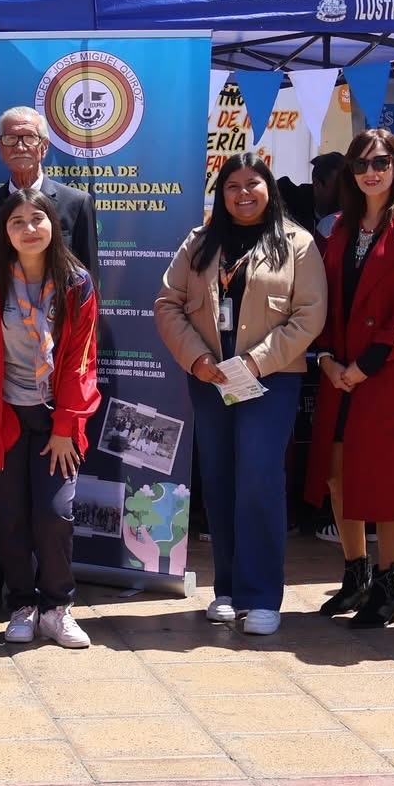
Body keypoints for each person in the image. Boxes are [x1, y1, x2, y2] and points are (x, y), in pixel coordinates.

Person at [157, 152, 327, 636]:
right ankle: (227, 590)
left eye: (253, 184)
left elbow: (310, 314)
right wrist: (199, 360)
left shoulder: (297, 244)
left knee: (258, 477)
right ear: (221, 193)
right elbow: (168, 304)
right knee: (219, 477)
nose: (243, 193)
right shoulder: (199, 243)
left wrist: (257, 361)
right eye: (233, 186)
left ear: (269, 189)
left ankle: (261, 595)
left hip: (269, 378)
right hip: (211, 378)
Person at [0, 105, 98, 620]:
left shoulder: (76, 203)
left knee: (51, 505)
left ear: (44, 144)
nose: (19, 145)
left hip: (54, 387)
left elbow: (84, 287)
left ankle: (55, 600)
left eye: (28, 138)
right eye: (9, 138)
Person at [305, 129, 394, 629]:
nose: (371, 172)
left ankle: (389, 584)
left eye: (380, 162)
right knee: (339, 475)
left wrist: (367, 365)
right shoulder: (336, 228)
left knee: (386, 481)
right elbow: (319, 299)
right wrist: (326, 360)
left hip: (390, 375)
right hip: (339, 372)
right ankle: (355, 573)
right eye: (361, 164)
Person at [0, 188, 102, 647]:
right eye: (18, 221)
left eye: (37, 219)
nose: (29, 229)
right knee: (9, 517)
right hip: (3, 416)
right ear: (5, 231)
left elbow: (82, 361)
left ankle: (57, 606)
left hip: (54, 421)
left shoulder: (76, 283)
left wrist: (66, 424)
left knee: (54, 513)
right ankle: (22, 604)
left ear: (53, 226)